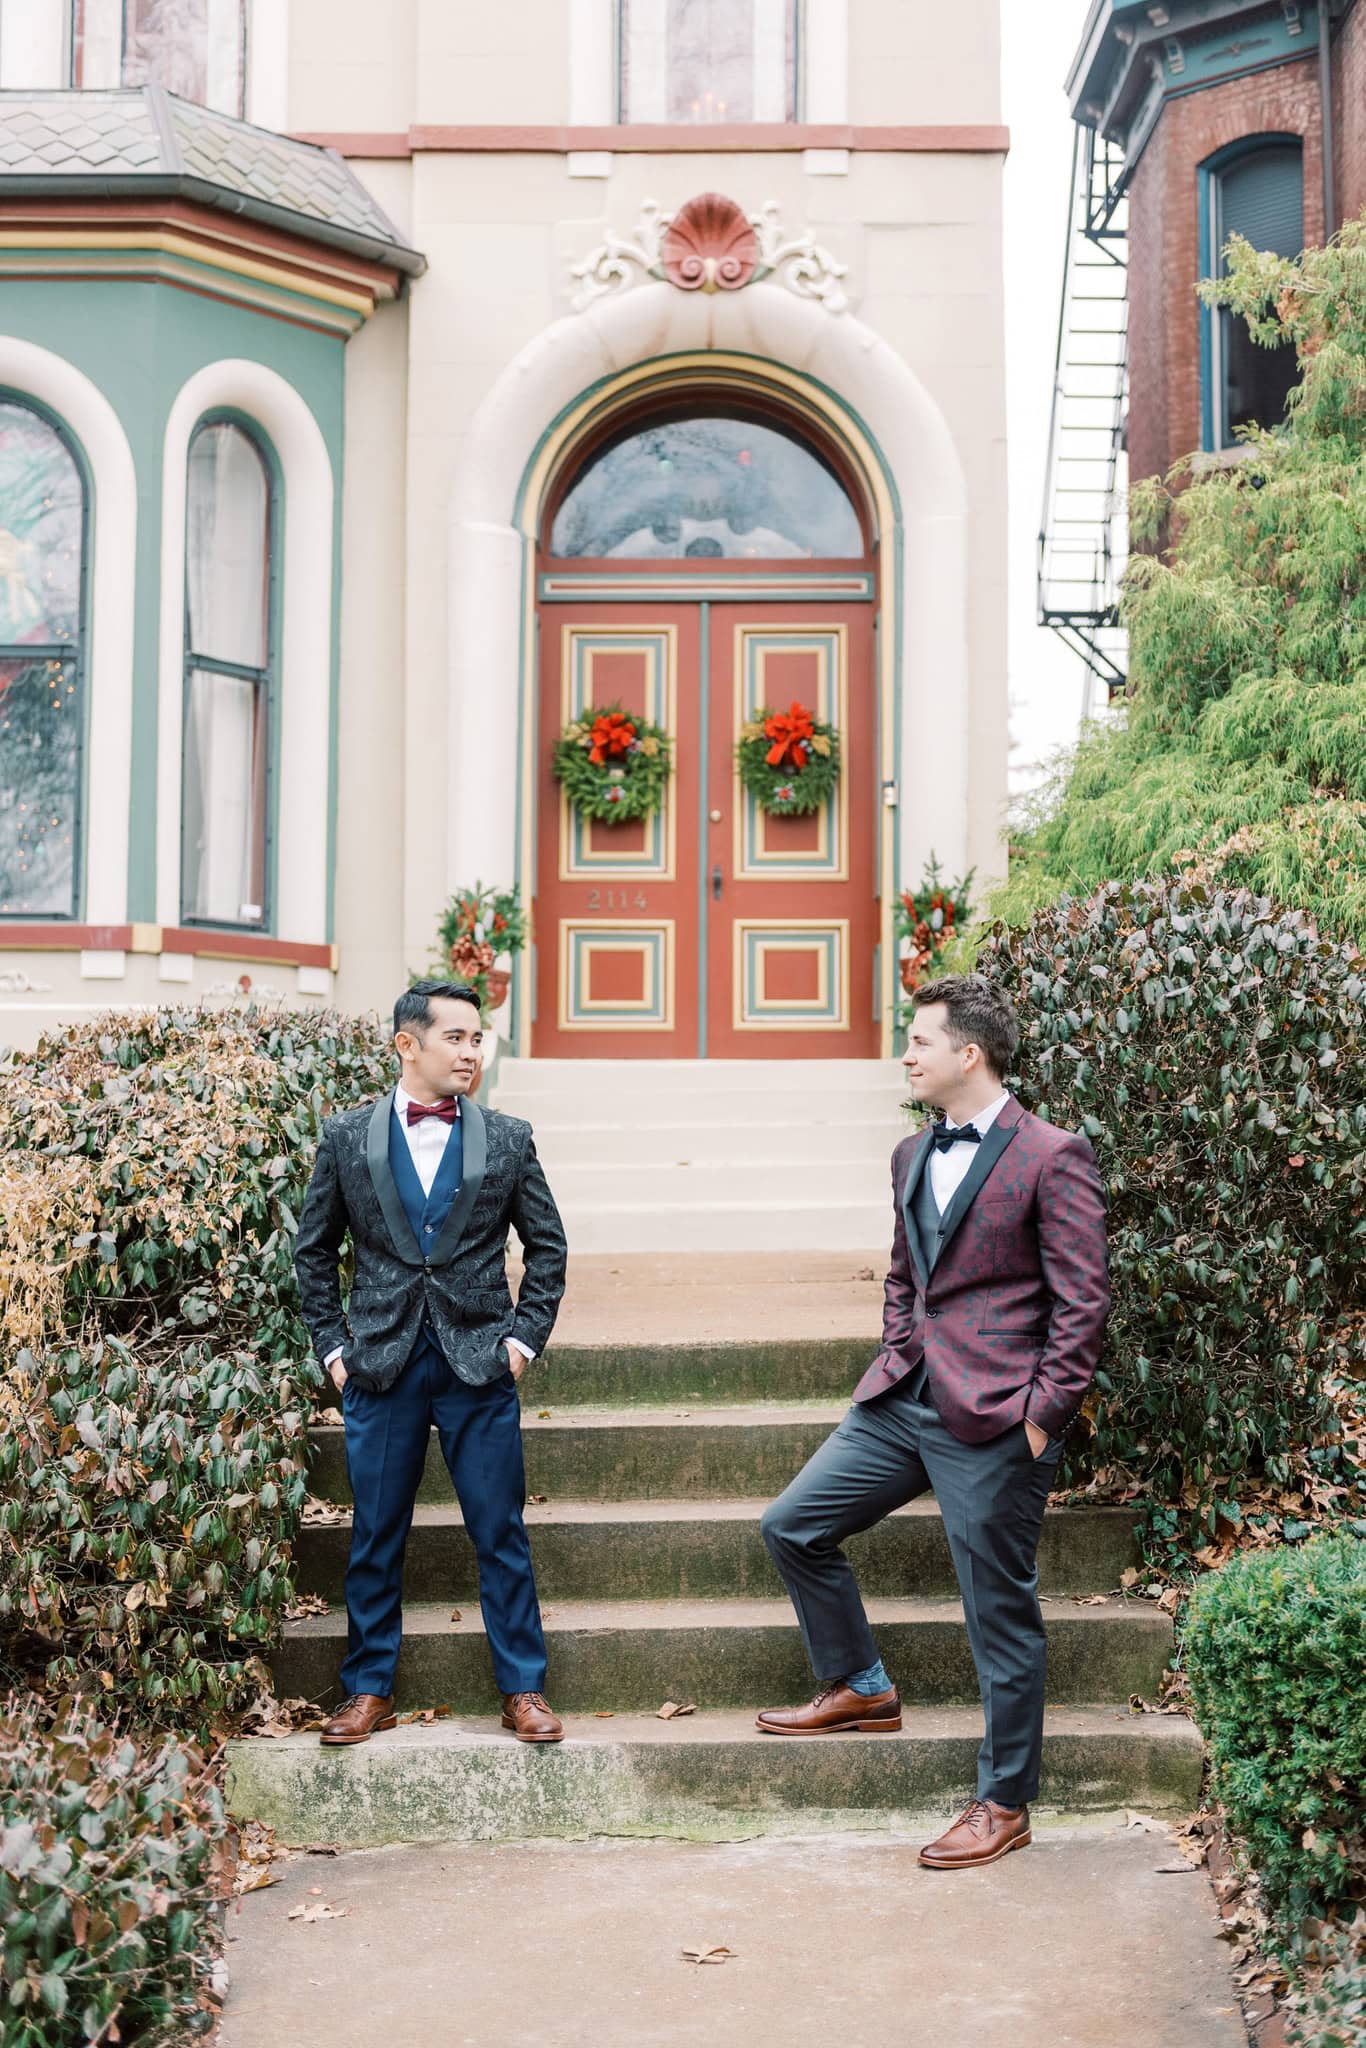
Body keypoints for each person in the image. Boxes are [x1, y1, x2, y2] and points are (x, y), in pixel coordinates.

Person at [755, 973, 1110, 1869]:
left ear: (969, 1053)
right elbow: (905, 1276)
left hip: (997, 1418)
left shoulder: (1053, 1155)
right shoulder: (911, 1154)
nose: (905, 1054)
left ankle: (1005, 1800)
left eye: (919, 1041)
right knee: (793, 1525)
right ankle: (863, 1684)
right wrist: (897, 1350)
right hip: (903, 1400)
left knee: (998, 1611)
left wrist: (1042, 1418)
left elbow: (1082, 1304)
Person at [294, 980, 568, 1747]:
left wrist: (521, 1342)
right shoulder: (346, 1136)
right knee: (376, 1532)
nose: (472, 1052)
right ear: (406, 1045)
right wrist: (333, 1349)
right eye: (455, 1037)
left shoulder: (508, 1138)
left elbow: (548, 1248)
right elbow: (312, 1252)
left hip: (480, 1363)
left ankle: (523, 1687)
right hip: (379, 1366)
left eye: (477, 1038)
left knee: (499, 1532)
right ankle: (367, 1687)